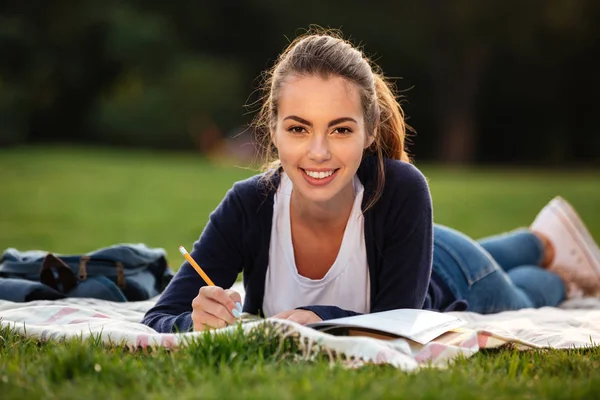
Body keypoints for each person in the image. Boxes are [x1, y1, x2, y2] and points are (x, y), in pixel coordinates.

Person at [142, 31, 600, 333]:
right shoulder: (248, 205)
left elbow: (400, 323)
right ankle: (542, 238)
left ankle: (555, 261)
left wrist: (317, 317)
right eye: (298, 128)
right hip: (414, 247)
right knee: (498, 253)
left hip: (450, 275)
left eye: (340, 129)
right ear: (273, 128)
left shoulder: (401, 188)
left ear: (369, 131)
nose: (318, 152)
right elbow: (161, 315)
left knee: (524, 293)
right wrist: (192, 323)